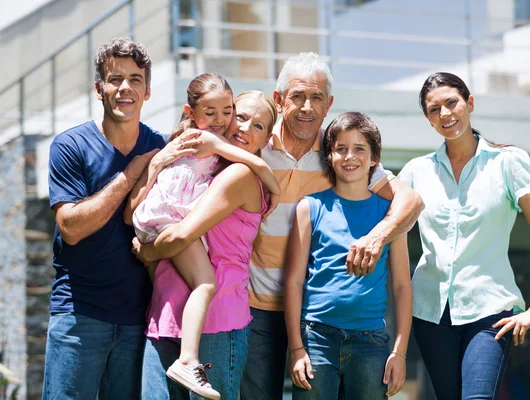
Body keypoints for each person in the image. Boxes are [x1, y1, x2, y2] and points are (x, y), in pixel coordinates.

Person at [241, 52, 423, 400]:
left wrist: (377, 237)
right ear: (279, 101)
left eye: (317, 98)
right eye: (298, 96)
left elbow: (411, 201)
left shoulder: (339, 151)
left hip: (321, 321)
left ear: (328, 105)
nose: (307, 106)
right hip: (256, 308)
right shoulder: (256, 147)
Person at [43, 37, 204, 399]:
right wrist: (133, 173)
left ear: (147, 90)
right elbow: (70, 228)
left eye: (135, 79)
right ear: (98, 89)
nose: (125, 88)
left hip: (139, 321)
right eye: (115, 79)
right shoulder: (70, 146)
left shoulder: (163, 146)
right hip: (78, 317)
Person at [398, 72, 530, 400]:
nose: (444, 113)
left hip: (491, 311)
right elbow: (388, 222)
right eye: (433, 109)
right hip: (430, 315)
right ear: (428, 119)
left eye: (451, 102)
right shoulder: (416, 172)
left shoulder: (508, 163)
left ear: (470, 103)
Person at [127, 74, 280, 398]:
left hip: (215, 321)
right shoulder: (204, 162)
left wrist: (147, 252)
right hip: (168, 312)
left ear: (267, 139)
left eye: (259, 126)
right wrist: (156, 165)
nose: (242, 127)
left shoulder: (239, 173)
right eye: (240, 116)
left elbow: (181, 235)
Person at [284, 112, 412, 399]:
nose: (349, 156)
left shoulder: (391, 214)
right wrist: (296, 348)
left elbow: (402, 286)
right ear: (329, 156)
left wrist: (400, 352)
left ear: (374, 158)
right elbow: (293, 282)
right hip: (316, 338)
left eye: (359, 149)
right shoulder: (311, 208)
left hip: (371, 342)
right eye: (340, 148)